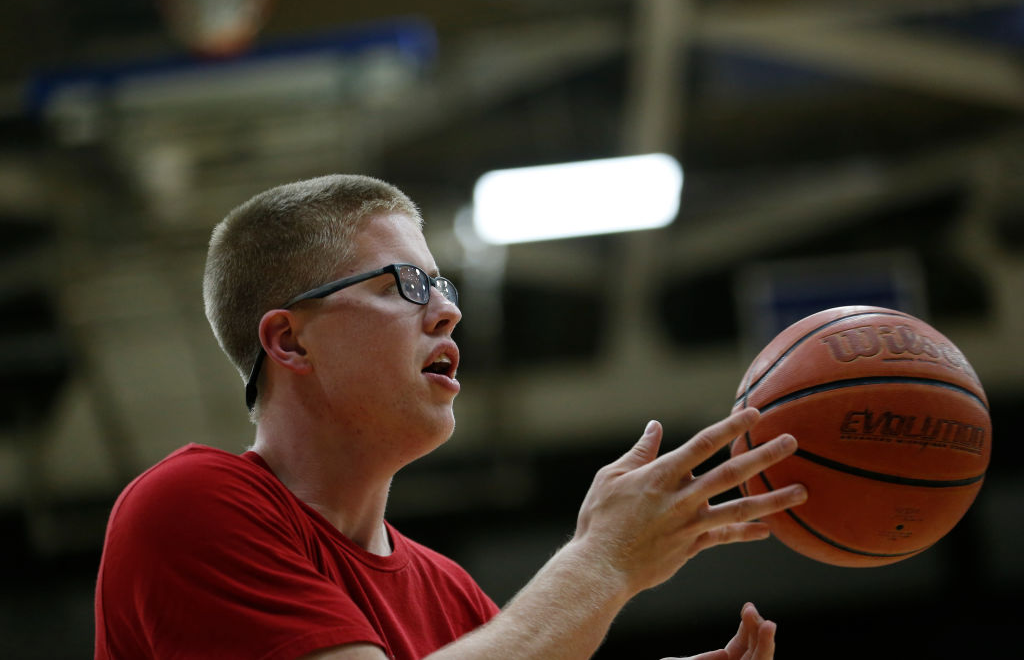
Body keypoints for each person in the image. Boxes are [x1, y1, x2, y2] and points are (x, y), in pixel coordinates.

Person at [94, 174, 808, 660]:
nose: (447, 309)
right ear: (288, 339)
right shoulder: (186, 505)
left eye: (442, 282)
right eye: (406, 283)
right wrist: (605, 559)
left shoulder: (451, 593)